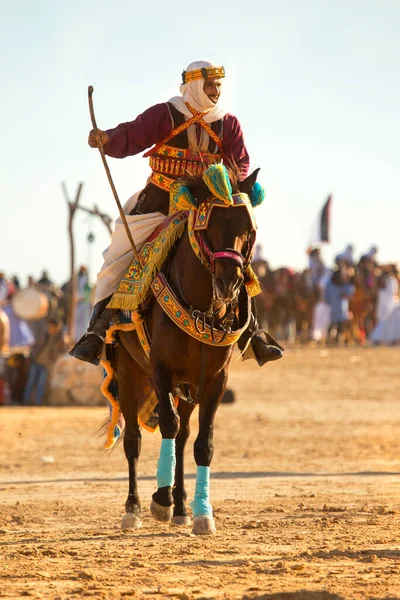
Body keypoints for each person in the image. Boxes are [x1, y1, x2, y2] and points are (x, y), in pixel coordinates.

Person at [70, 60, 283, 366]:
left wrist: (231, 181)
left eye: (218, 86)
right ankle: (97, 333)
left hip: (206, 206)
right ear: (194, 86)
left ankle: (253, 332)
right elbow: (133, 135)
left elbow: (240, 163)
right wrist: (107, 139)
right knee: (117, 258)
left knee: (235, 258)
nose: (215, 91)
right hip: (158, 204)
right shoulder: (166, 114)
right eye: (209, 85)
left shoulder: (228, 123)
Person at [23, 319, 65, 406]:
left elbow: (62, 350)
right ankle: (25, 401)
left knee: (41, 384)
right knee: (30, 382)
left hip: (46, 364)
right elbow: (35, 347)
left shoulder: (60, 338)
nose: (51, 328)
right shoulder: (44, 335)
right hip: (36, 361)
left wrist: (54, 356)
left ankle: (37, 403)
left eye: (53, 327)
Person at [324, 266, 355, 343]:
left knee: (340, 324)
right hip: (335, 307)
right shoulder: (331, 285)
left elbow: (351, 293)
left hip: (341, 307)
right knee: (334, 324)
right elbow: (327, 297)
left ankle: (338, 339)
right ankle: (330, 339)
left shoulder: (344, 284)